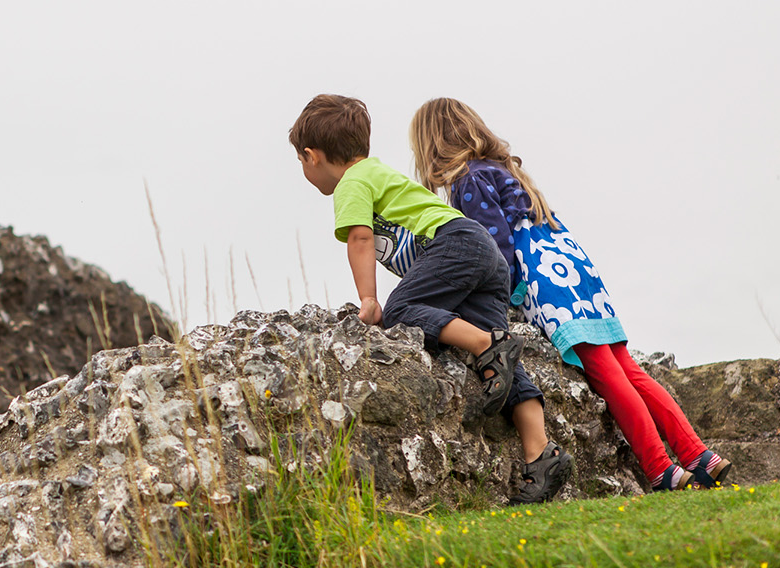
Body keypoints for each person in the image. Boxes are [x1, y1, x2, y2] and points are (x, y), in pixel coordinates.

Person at [408, 96, 731, 492]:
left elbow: (495, 247)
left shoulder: (468, 181)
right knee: (630, 370)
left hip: (546, 283)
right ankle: (698, 454)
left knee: (609, 377)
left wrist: (507, 298)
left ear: (431, 144)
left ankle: (662, 468)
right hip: (576, 273)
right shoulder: (503, 170)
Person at [290, 94, 572, 504]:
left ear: (312, 156)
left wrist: (369, 300)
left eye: (300, 162)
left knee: (400, 311)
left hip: (455, 244)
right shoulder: (378, 173)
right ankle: (539, 451)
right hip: (481, 252)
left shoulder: (352, 182)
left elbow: (360, 237)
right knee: (501, 364)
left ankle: (487, 345)